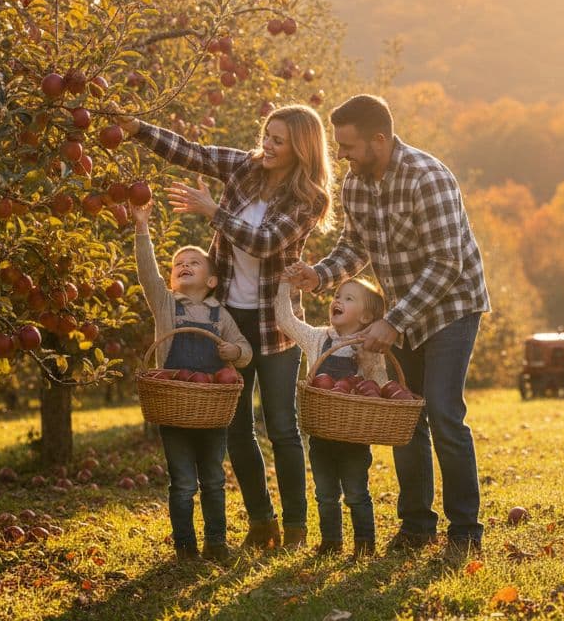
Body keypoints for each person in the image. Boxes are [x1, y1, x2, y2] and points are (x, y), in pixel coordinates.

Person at [118, 104, 334, 550]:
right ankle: (261, 521)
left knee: (282, 427)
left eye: (279, 139)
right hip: (227, 320)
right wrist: (138, 127)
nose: (267, 145)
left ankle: (295, 525)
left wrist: (212, 210)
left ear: (302, 147)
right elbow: (191, 152)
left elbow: (267, 240)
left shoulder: (309, 198)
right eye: (266, 135)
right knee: (235, 427)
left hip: (275, 324)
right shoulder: (245, 166)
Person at [285, 94, 490, 555]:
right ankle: (417, 526)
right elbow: (355, 246)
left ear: (380, 140)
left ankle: (465, 532)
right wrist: (320, 275)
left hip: (451, 307)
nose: (341, 156)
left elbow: (446, 263)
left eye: (349, 146)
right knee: (405, 417)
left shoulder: (427, 178)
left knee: (442, 412)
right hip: (404, 312)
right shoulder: (356, 185)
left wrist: (394, 321)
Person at [132, 201, 252, 562]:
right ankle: (185, 546)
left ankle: (217, 542)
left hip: (212, 410)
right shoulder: (167, 305)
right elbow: (146, 274)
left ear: (211, 280)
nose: (183, 265)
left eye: (193, 262)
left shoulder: (221, 315)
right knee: (182, 482)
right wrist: (142, 228)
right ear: (171, 279)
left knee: (214, 479)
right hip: (175, 406)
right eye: (177, 264)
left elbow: (245, 351)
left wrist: (234, 352)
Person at [273, 276, 388, 559]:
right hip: (321, 433)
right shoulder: (318, 338)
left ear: (366, 316)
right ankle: (331, 542)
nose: (338, 300)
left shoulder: (368, 346)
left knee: (357, 493)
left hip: (353, 435)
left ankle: (364, 544)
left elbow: (379, 386)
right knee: (325, 494)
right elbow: (285, 321)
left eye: (349, 298)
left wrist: (369, 360)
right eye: (338, 295)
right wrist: (286, 284)